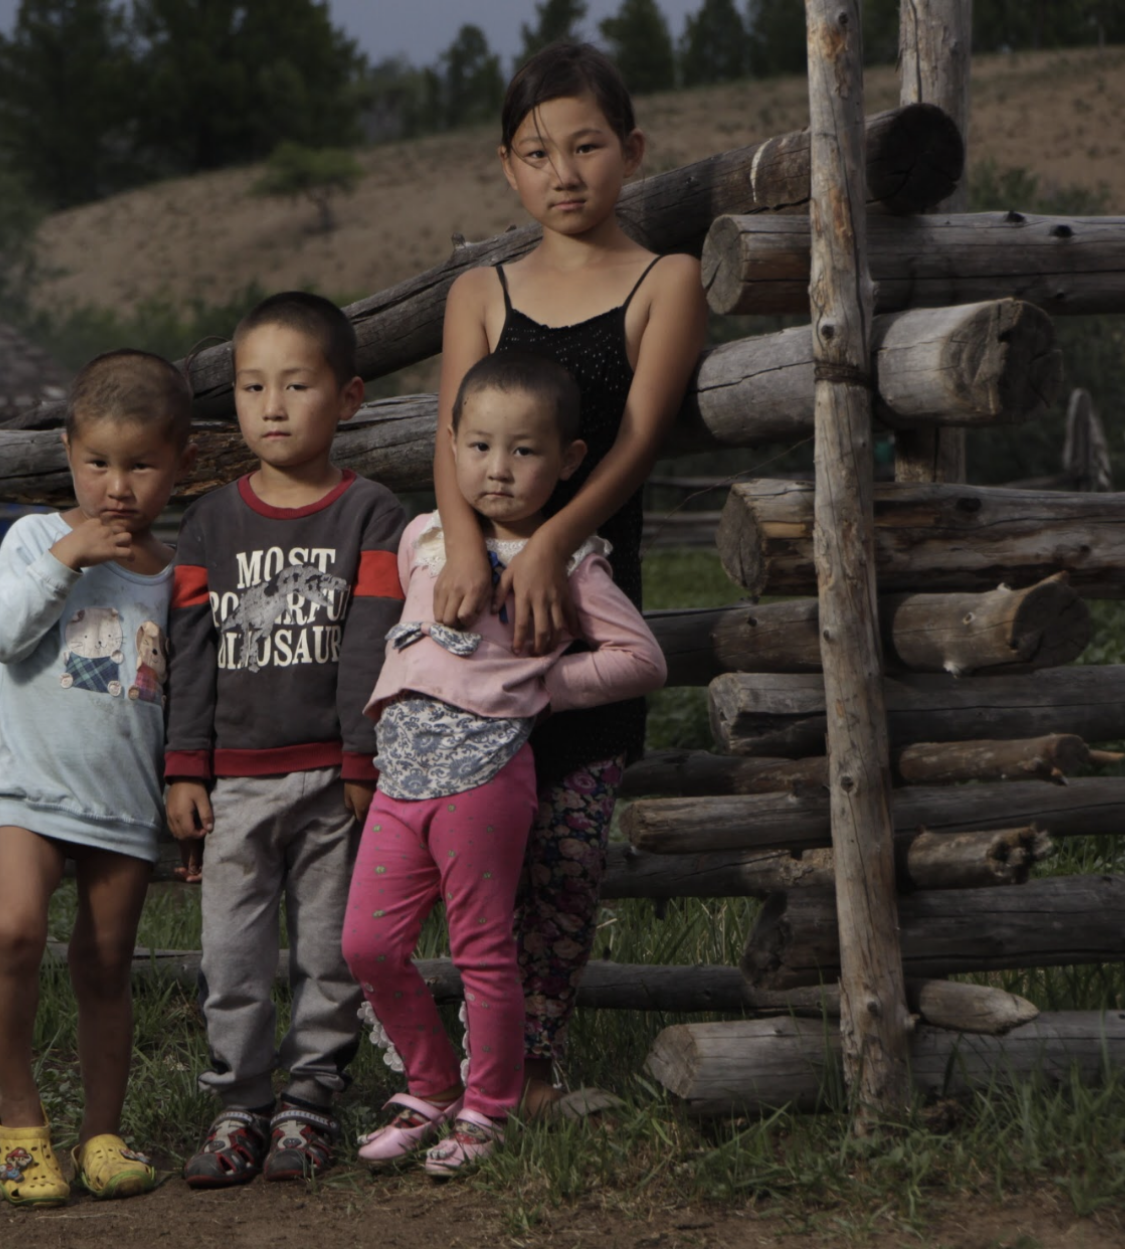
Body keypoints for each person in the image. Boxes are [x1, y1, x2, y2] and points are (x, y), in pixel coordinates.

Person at [430, 41, 708, 1116]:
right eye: (538, 153)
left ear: (631, 150)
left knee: (567, 845)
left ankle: (533, 1063)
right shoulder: (480, 292)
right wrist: (467, 550)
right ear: (507, 167)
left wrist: (551, 542)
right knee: (474, 842)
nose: (564, 172)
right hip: (479, 622)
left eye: (587, 146)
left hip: (586, 605)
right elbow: (452, 440)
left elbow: (635, 441)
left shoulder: (663, 281)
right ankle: (469, 1059)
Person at [342, 352, 668, 1174]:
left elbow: (641, 658)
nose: (498, 468)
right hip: (401, 768)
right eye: (481, 446)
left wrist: (539, 686)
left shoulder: (573, 562)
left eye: (524, 451)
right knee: (367, 943)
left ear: (569, 460)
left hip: (487, 774)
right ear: (450, 445)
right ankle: (430, 1085)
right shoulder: (422, 537)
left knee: (482, 949)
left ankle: (488, 1105)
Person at [165, 291, 408, 1187]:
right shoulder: (209, 520)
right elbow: (190, 654)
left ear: (347, 397)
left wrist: (361, 757)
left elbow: (372, 643)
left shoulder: (371, 513)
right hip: (232, 783)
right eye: (252, 386)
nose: (272, 406)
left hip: (332, 780)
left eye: (296, 385)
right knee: (230, 953)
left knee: (329, 951)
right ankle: (239, 1103)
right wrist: (184, 766)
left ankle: (310, 1103)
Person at [0, 349, 196, 1207]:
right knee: (12, 932)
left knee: (106, 963)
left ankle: (102, 1132)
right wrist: (69, 553)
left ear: (180, 462)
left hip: (122, 802)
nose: (118, 487)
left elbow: (189, 697)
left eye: (141, 464)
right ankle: (19, 1118)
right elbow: (2, 635)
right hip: (29, 789)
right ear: (69, 450)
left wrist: (189, 787)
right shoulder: (35, 539)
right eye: (98, 462)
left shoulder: (177, 575)